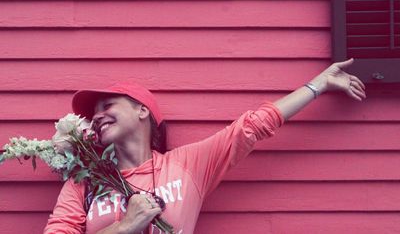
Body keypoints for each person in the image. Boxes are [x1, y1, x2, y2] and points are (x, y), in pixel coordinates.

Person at [44, 58, 366, 234]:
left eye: (107, 105)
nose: (97, 116)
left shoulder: (186, 166)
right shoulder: (84, 183)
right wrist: (127, 226)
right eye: (93, 113)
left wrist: (318, 84)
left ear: (142, 110)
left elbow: (253, 126)